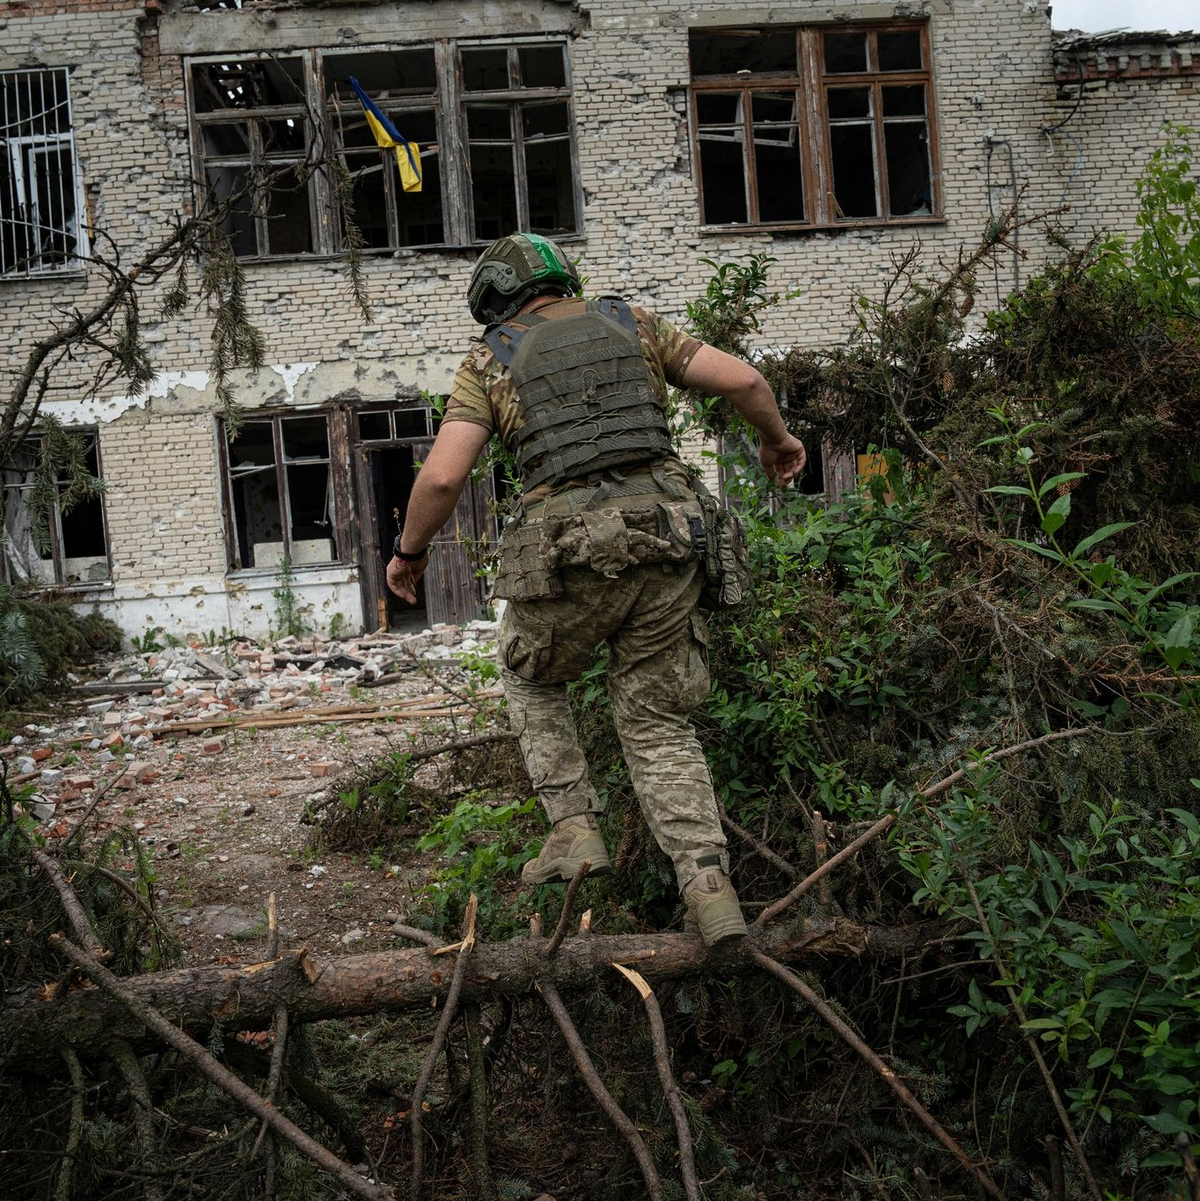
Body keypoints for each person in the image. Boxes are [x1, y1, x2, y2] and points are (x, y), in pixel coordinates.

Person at [387, 232, 805, 947]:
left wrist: (409, 553)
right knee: (657, 721)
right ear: (563, 277)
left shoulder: (491, 359)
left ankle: (575, 826)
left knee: (528, 672)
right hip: (672, 545)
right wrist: (777, 439)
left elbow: (444, 477)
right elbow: (745, 383)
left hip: (570, 555)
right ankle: (709, 888)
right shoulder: (632, 322)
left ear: (493, 301)